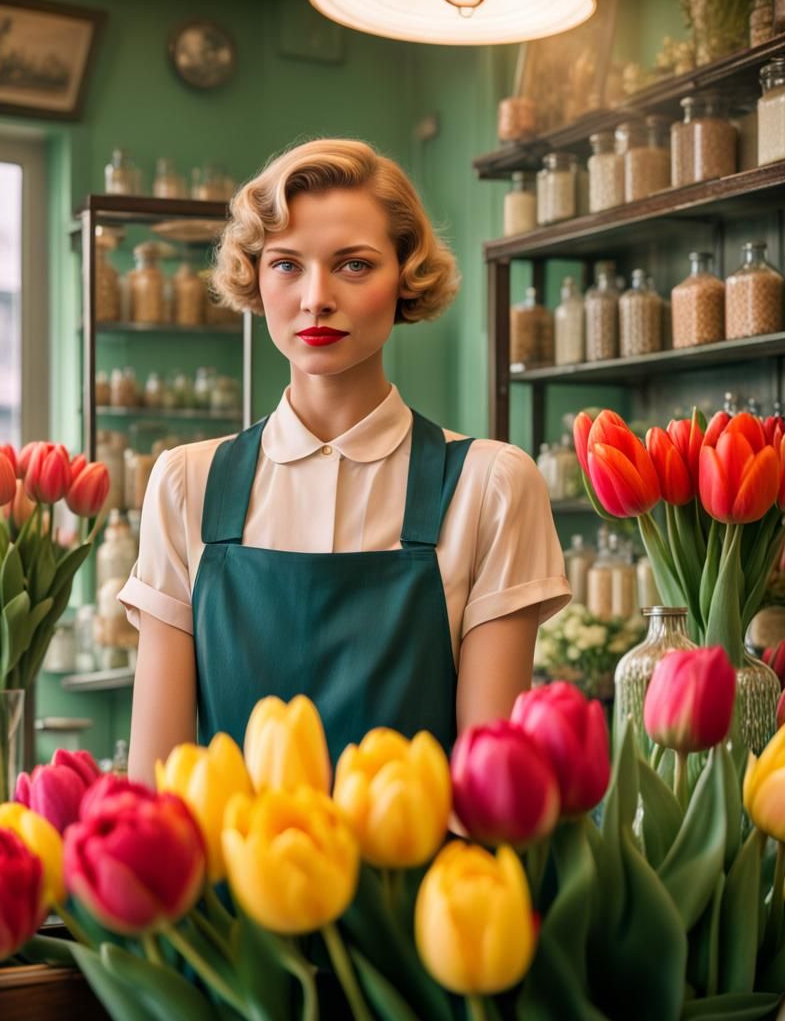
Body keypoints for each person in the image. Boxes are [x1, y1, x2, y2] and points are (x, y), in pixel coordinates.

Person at [119, 138, 570, 783]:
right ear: (255, 276)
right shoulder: (188, 482)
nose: (315, 298)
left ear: (405, 277)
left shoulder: (491, 484)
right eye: (285, 265)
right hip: (232, 880)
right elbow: (154, 789)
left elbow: (486, 796)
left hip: (423, 882)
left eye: (353, 265)